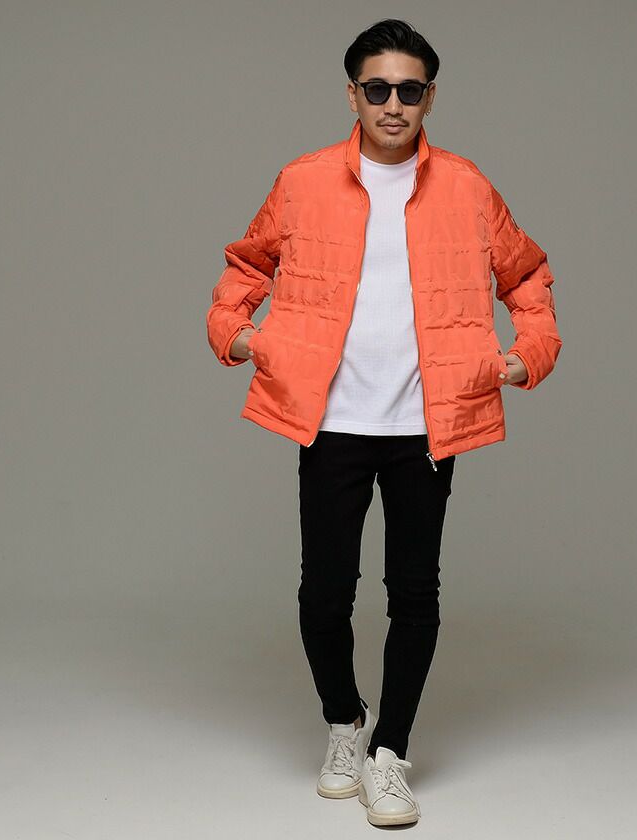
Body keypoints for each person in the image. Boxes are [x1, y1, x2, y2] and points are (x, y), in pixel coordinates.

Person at [206, 18, 562, 828]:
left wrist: (526, 355)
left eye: (409, 89)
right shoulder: (302, 182)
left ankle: (388, 753)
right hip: (330, 419)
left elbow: (527, 274)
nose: (393, 104)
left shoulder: (467, 187)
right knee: (324, 594)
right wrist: (241, 335)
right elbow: (246, 265)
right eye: (377, 88)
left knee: (415, 592)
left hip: (426, 425)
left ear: (429, 96)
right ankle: (345, 721)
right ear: (352, 96)